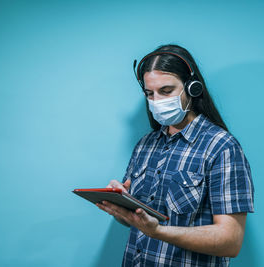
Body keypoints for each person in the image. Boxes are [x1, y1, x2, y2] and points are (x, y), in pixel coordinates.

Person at [96, 44, 255, 267]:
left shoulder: (222, 147)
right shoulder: (145, 145)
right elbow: (137, 222)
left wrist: (158, 231)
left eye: (166, 91)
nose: (157, 101)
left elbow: (231, 241)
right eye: (150, 94)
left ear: (192, 88)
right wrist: (120, 206)